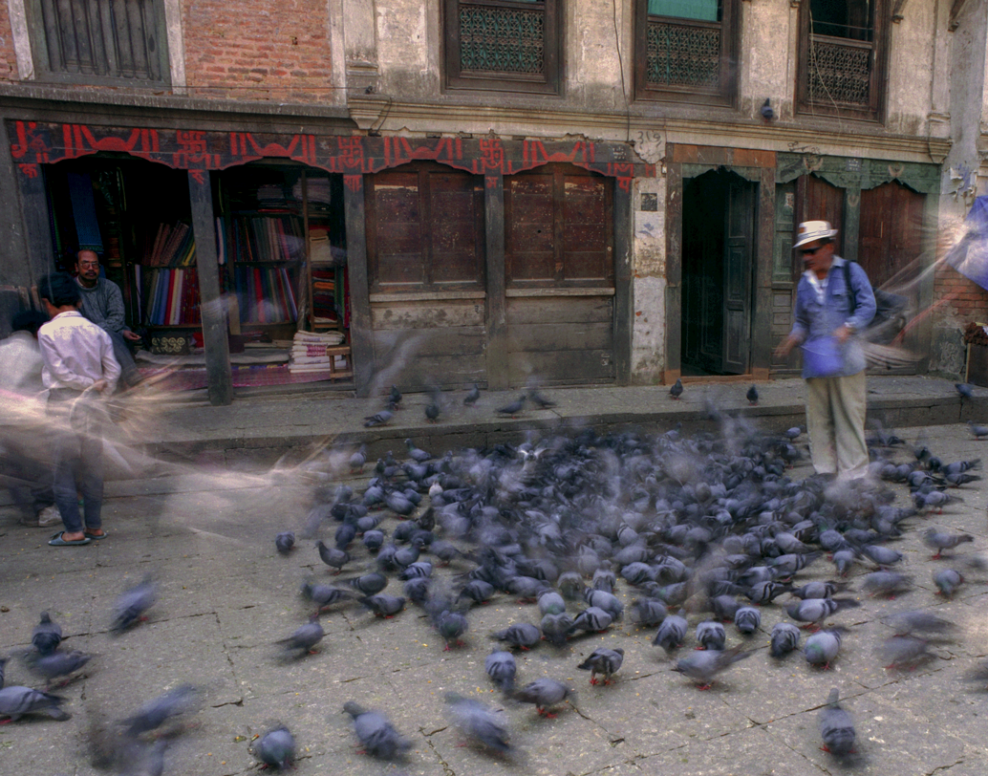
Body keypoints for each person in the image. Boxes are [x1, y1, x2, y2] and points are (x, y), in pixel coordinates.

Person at [774, 220, 877, 482]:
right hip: (816, 361)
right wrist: (793, 336)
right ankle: (825, 472)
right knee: (818, 421)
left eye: (812, 250)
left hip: (847, 361)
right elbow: (802, 320)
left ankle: (854, 476)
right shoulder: (805, 283)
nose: (807, 257)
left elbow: (868, 306)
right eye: (803, 253)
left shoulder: (850, 271)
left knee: (849, 417)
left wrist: (848, 327)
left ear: (829, 247)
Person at [37, 272, 121, 546]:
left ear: (47, 303)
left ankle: (73, 530)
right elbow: (114, 370)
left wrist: (87, 384)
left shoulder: (47, 331)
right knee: (93, 466)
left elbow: (59, 373)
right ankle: (95, 526)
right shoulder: (97, 332)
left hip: (63, 403)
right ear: (79, 302)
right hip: (93, 405)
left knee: (63, 468)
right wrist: (100, 391)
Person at [0, 310, 58, 526]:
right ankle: (44, 510)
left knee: (14, 469)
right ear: (38, 331)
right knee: (42, 466)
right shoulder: (38, 354)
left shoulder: (1, 350)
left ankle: (28, 513)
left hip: (3, 422)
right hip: (28, 420)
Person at [74, 249, 141, 387]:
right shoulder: (71, 289)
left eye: (95, 264)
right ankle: (134, 380)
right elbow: (75, 323)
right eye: (85, 264)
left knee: (110, 334)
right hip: (82, 338)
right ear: (76, 267)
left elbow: (117, 319)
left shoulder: (110, 287)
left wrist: (113, 330)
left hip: (108, 333)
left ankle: (127, 385)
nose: (91, 268)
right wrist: (119, 331)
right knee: (110, 334)